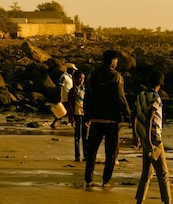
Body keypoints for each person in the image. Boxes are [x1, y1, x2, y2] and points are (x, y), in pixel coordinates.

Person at [131, 70, 173, 204]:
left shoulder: (141, 95)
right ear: (161, 84)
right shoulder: (156, 98)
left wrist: (135, 135)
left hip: (143, 137)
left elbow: (134, 114)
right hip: (154, 139)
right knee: (163, 174)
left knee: (147, 173)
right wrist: (150, 141)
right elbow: (150, 118)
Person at [83, 50, 131, 188]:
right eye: (116, 61)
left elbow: (87, 98)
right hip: (111, 120)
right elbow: (121, 98)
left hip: (95, 118)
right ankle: (106, 180)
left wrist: (87, 115)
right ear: (112, 61)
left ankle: (88, 179)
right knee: (111, 152)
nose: (117, 63)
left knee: (92, 151)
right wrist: (128, 115)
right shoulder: (116, 77)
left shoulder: (92, 75)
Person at [67, 69, 87, 162]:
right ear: (75, 79)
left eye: (83, 79)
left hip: (85, 115)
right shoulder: (72, 91)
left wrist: (89, 117)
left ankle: (86, 155)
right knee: (77, 137)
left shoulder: (85, 89)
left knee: (85, 136)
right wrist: (72, 119)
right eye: (79, 78)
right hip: (76, 114)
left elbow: (89, 103)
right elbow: (70, 105)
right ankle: (77, 156)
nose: (81, 80)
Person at [50, 63, 76, 128]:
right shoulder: (64, 77)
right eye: (73, 70)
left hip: (69, 97)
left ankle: (55, 123)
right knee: (67, 110)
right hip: (65, 97)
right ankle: (72, 123)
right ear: (69, 69)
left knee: (64, 111)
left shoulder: (69, 77)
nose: (74, 71)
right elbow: (60, 86)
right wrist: (59, 96)